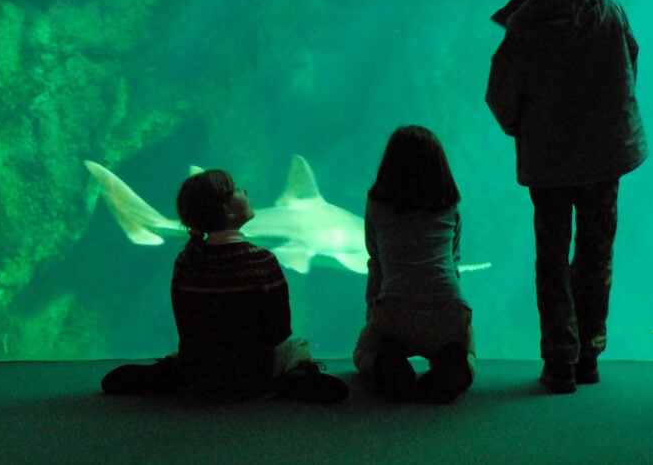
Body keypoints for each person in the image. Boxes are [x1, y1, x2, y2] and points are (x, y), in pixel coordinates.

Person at [486, 0, 647, 394]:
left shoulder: (528, 19)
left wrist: (521, 127)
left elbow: (501, 93)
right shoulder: (607, 4)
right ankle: (589, 355)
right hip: (604, 158)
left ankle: (560, 360)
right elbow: (629, 65)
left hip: (550, 162)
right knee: (596, 253)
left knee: (552, 255)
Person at [101, 169, 348, 403]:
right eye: (238, 190)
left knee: (195, 352)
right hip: (254, 373)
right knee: (297, 345)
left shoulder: (186, 260)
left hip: (200, 370)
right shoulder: (261, 259)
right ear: (227, 212)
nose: (247, 192)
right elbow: (280, 330)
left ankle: (168, 371)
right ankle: (297, 377)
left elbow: (184, 322)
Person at [352, 126, 474, 404]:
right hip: (450, 310)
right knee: (467, 353)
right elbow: (454, 262)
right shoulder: (450, 205)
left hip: (394, 309)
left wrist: (374, 313)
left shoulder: (376, 205)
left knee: (362, 352)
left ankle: (389, 366)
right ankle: (454, 368)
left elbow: (377, 263)